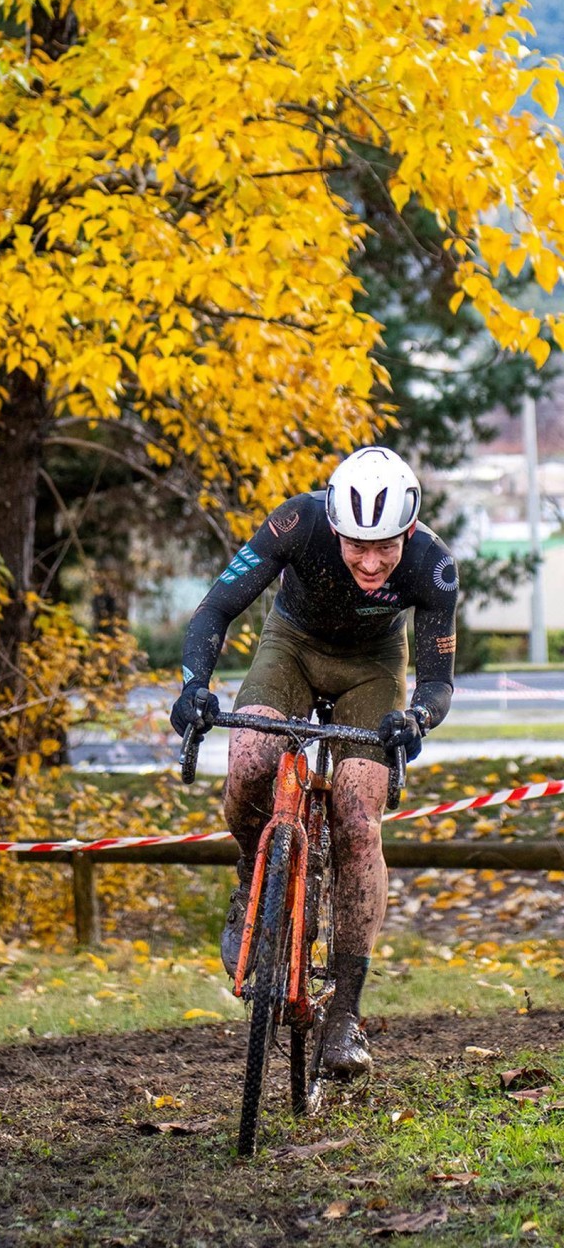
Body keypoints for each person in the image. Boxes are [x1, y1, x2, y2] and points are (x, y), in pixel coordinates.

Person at [170, 446, 457, 1077]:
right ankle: (253, 879)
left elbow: (437, 683)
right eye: (357, 545)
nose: (373, 562)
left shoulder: (433, 566)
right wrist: (194, 686)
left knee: (358, 816)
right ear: (334, 525)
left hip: (373, 670)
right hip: (291, 648)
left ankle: (345, 1016)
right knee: (249, 758)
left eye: (387, 546)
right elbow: (215, 608)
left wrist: (416, 719)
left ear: (409, 532)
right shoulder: (297, 522)